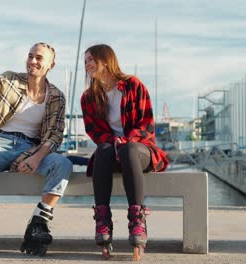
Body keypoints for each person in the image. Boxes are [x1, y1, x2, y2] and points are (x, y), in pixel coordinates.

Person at [0, 42, 73, 256]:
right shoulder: (9, 80)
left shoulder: (56, 96)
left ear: (51, 65)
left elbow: (55, 134)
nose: (33, 61)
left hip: (32, 150)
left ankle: (39, 223)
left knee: (63, 164)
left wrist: (37, 158)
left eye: (39, 58)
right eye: (30, 56)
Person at [80, 44, 169, 260]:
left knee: (128, 149)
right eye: (85, 62)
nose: (87, 65)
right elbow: (95, 132)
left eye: (91, 59)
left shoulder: (133, 85)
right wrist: (114, 142)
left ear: (106, 60)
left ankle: (137, 220)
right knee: (103, 149)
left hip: (140, 150)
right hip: (111, 152)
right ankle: (102, 219)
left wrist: (125, 141)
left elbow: (145, 125)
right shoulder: (89, 98)